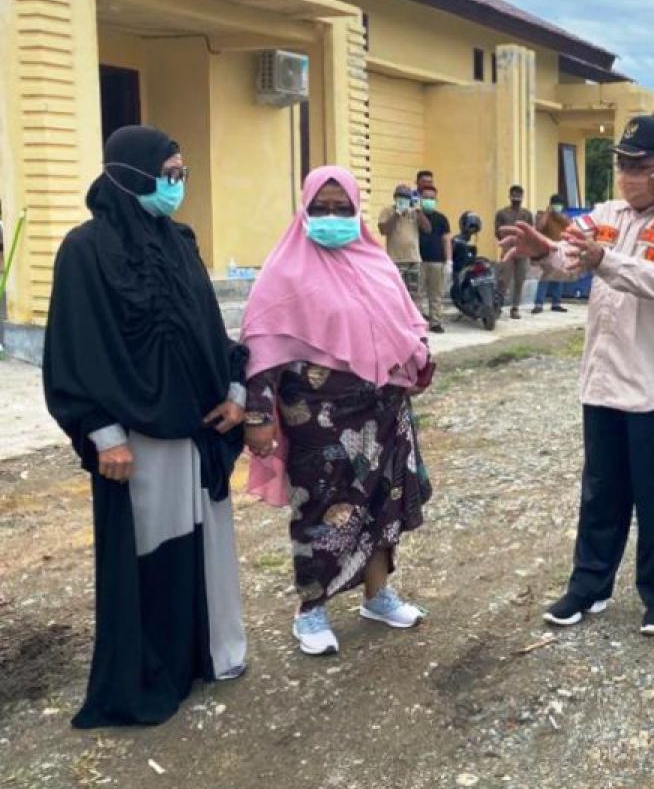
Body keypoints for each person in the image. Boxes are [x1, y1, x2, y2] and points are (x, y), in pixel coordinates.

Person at [42, 125, 248, 727]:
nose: (177, 185)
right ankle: (148, 675)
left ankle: (202, 657)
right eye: (170, 172)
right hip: (133, 440)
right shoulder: (84, 250)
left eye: (181, 173)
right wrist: (100, 429)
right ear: (129, 174)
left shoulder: (179, 242)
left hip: (197, 429)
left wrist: (234, 390)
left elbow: (207, 329)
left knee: (200, 544)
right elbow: (73, 348)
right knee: (148, 555)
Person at [500, 115, 654, 637]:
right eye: (622, 165)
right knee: (601, 491)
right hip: (602, 380)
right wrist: (543, 253)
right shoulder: (605, 215)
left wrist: (602, 259)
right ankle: (589, 585)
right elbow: (569, 262)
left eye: (638, 167)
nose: (626, 175)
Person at [241, 166, 435, 657]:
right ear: (304, 211)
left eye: (342, 208)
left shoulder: (377, 263)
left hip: (385, 414)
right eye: (320, 209)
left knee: (383, 506)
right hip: (318, 423)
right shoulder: (283, 272)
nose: (332, 217)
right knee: (321, 513)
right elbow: (261, 350)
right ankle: (312, 611)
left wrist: (418, 356)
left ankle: (378, 596)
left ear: (356, 211)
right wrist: (259, 416)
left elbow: (409, 322)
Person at [377, 182, 429, 308]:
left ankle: (414, 322)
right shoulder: (387, 211)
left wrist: (419, 212)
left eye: (406, 197)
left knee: (414, 295)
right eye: (400, 196)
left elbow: (427, 229)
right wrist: (396, 214)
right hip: (395, 260)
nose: (403, 200)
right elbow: (383, 230)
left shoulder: (414, 212)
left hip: (413, 260)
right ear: (395, 198)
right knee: (395, 293)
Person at [495, 185, 534, 319]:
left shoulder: (527, 214)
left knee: (520, 279)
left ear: (523, 197)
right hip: (507, 249)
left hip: (522, 250)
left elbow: (532, 232)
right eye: (514, 194)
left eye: (519, 194)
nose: (516, 197)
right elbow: (497, 232)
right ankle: (498, 306)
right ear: (510, 196)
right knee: (503, 279)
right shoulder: (502, 213)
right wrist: (508, 239)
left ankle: (515, 308)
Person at [416, 184, 451, 333]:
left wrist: (449, 261)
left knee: (436, 294)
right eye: (425, 198)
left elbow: (446, 240)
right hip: (418, 260)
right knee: (417, 294)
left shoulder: (442, 219)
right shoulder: (414, 217)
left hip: (437, 261)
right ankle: (417, 322)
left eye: (432, 198)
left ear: (436, 200)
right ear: (420, 199)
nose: (429, 200)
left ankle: (435, 322)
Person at [532, 194, 570, 314]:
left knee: (559, 276)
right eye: (555, 204)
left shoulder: (563, 217)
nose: (557, 207)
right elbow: (539, 227)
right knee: (545, 277)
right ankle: (538, 304)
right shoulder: (545, 216)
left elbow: (569, 225)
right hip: (547, 249)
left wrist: (559, 216)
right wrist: (548, 213)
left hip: (560, 249)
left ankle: (556, 303)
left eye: (559, 205)